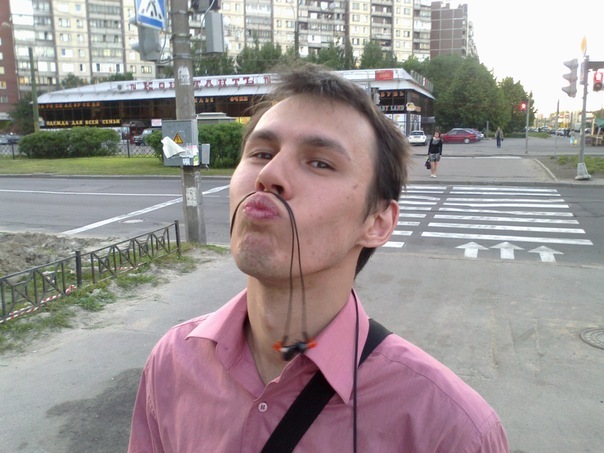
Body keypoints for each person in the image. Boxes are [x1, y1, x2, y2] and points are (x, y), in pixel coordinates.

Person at [129, 64, 509, 452]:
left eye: (319, 162)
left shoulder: (450, 431)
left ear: (377, 222)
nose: (269, 175)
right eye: (261, 153)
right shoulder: (173, 363)